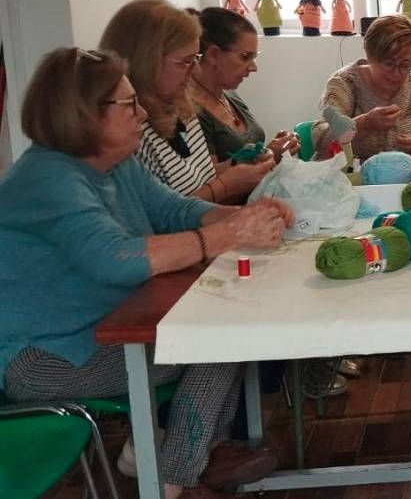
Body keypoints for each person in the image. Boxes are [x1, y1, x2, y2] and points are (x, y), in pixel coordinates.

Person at [0, 47, 293, 499]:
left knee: (224, 331)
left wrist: (247, 215)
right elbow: (115, 258)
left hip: (106, 329)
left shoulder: (114, 162)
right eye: (128, 104)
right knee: (218, 336)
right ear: (82, 113)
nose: (142, 113)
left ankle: (192, 460)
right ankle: (174, 482)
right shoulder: (48, 177)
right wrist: (229, 233)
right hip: (49, 358)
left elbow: (175, 210)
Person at [100, 0, 272, 202]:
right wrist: (226, 186)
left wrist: (239, 165)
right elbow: (163, 217)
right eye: (186, 62)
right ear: (148, 62)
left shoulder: (181, 107)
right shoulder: (129, 133)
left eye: (195, 60)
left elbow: (198, 177)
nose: (196, 70)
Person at [314, 14, 411, 161]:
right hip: (351, 182)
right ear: (370, 56)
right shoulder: (345, 83)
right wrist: (364, 124)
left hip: (402, 183)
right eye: (388, 63)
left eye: (405, 65)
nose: (396, 74)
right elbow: (320, 138)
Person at [189, 6, 299, 164]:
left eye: (254, 57)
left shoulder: (229, 95)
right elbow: (211, 181)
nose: (254, 67)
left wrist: (272, 150)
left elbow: (248, 157)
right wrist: (270, 155)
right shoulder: (193, 112)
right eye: (245, 56)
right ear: (214, 55)